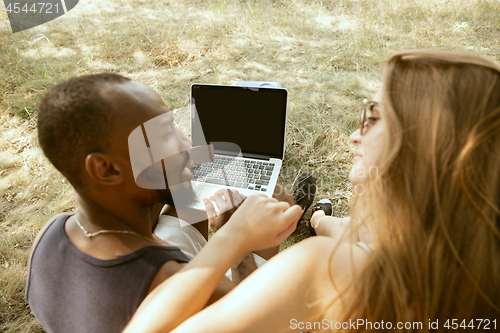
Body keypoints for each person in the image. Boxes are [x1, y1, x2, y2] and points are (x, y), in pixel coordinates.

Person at [124, 49, 500, 332]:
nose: (355, 135)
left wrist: (234, 239)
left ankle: (315, 216)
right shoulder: (477, 262)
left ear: (421, 145)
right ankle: (317, 216)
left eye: (372, 117)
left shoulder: (324, 268)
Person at [26, 73, 309, 333]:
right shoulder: (173, 283)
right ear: (106, 169)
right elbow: (260, 321)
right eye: (165, 135)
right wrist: (239, 242)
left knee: (188, 196)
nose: (187, 142)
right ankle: (292, 219)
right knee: (269, 212)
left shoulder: (49, 235)